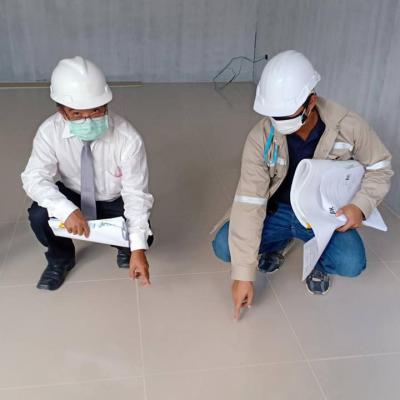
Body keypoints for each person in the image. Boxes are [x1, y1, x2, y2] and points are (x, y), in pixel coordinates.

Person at [212, 50, 393, 320]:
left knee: (351, 262)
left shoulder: (349, 126)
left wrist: (360, 206)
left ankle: (317, 260)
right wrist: (244, 275)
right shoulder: (260, 137)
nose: (280, 123)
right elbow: (250, 201)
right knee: (224, 246)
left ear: (311, 102)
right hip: (276, 212)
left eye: (288, 115)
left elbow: (380, 167)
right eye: (275, 115)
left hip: (323, 215)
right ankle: (278, 242)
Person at [21, 56, 154, 291]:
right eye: (76, 114)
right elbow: (34, 177)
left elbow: (136, 194)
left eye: (96, 111)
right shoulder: (49, 132)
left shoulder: (128, 139)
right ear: (62, 112)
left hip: (114, 199)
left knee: (143, 237)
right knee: (39, 215)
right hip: (74, 193)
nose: (88, 121)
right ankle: (61, 259)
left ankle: (124, 249)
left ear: (106, 105)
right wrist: (65, 209)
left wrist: (138, 250)